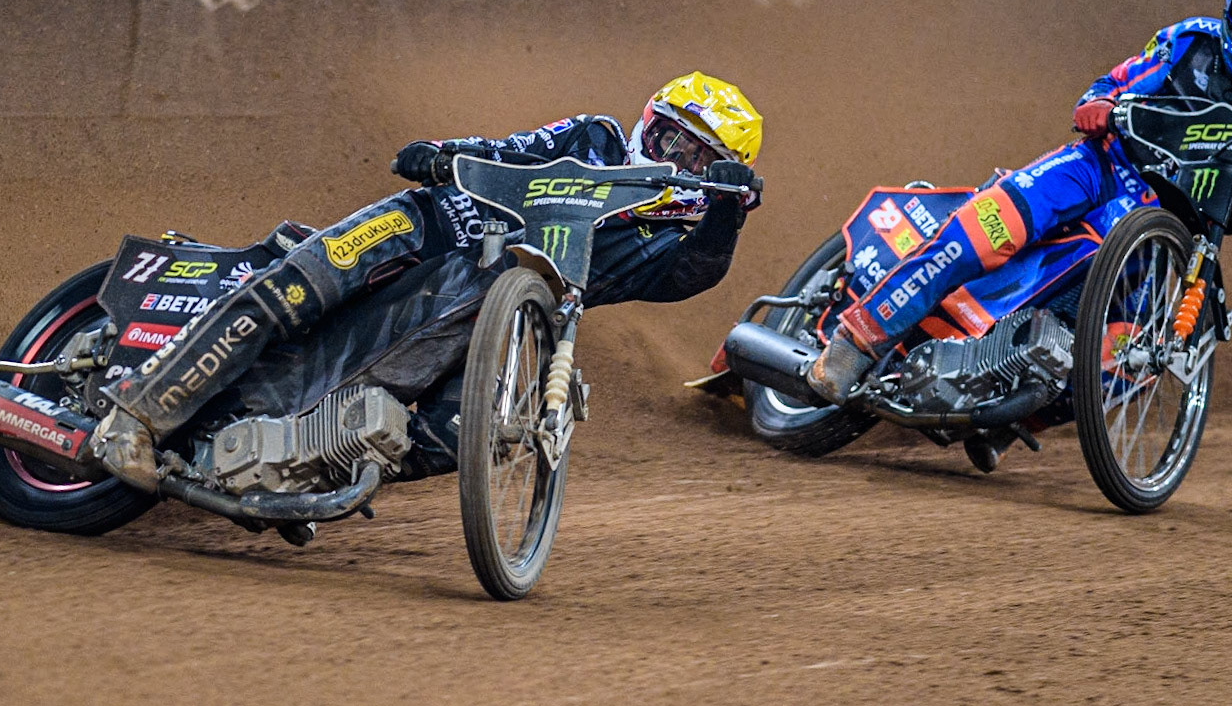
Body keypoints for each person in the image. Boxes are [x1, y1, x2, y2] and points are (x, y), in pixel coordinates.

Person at [807, 0, 1232, 408]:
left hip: (1163, 233)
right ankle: (856, 341)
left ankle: (1007, 404)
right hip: (1100, 168)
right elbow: (1112, 84)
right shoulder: (1188, 43)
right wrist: (1096, 104)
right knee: (988, 227)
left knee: (1125, 363)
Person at [91, 72, 765, 490]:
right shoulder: (594, 137)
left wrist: (727, 213)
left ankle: (307, 470)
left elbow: (696, 273)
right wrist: (443, 154)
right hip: (431, 225)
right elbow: (512, 148)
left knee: (462, 434)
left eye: (695, 156)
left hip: (486, 313)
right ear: (648, 121)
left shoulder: (664, 242)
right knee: (297, 289)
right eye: (668, 136)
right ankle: (134, 417)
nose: (670, 155)